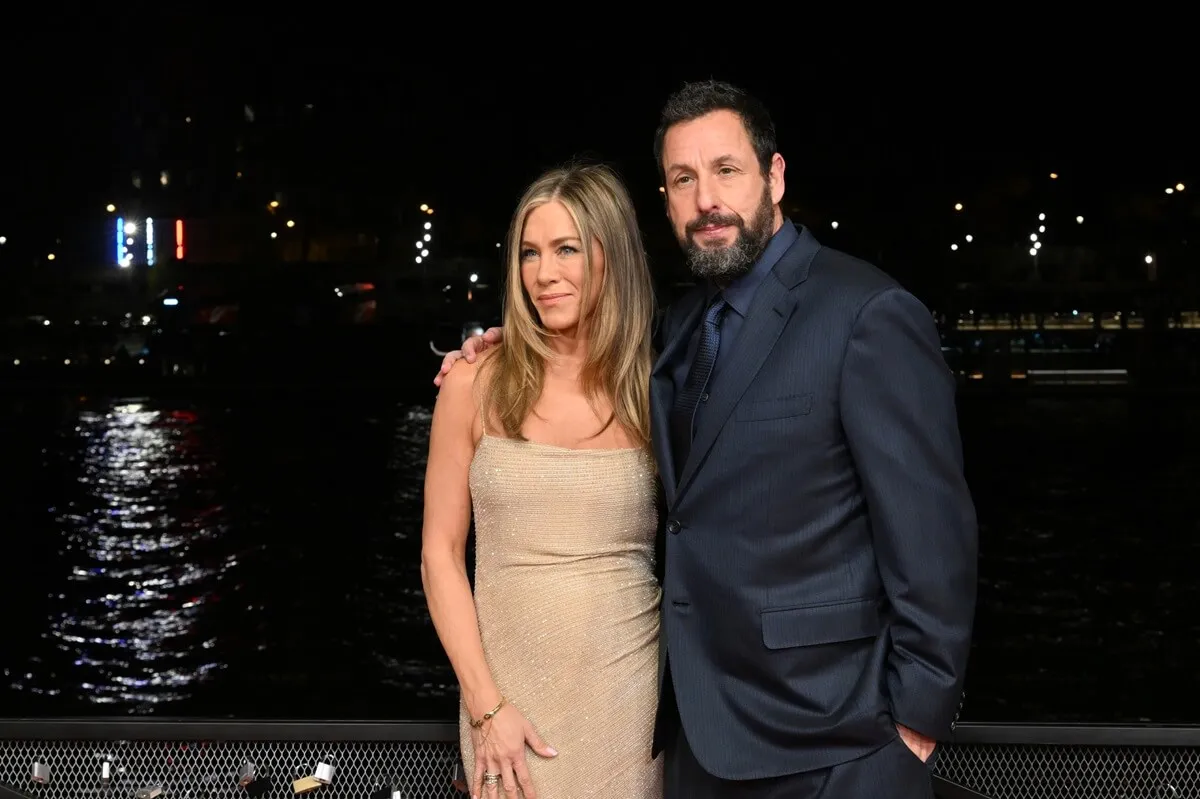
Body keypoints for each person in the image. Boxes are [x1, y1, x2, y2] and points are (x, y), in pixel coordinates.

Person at [435, 79, 978, 798]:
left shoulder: (865, 313)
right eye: (683, 179)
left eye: (725, 170)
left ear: (774, 176)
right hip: (695, 737)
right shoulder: (678, 333)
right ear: (665, 199)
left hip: (834, 742)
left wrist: (916, 720)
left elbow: (933, 537)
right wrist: (505, 346)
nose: (706, 199)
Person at [420, 162, 663, 799]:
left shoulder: (655, 387)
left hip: (628, 705)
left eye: (566, 250)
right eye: (530, 253)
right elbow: (439, 554)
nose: (544, 274)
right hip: (503, 705)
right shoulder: (474, 382)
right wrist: (486, 707)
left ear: (611, 256)